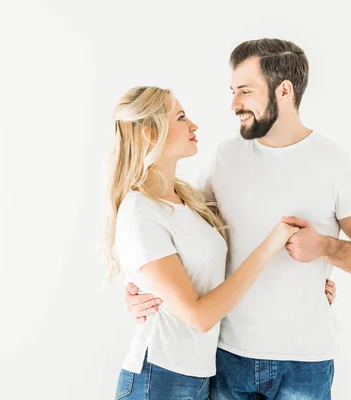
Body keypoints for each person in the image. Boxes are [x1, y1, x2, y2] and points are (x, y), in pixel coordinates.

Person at [125, 38, 351, 400]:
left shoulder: (336, 165)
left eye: (245, 91)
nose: (234, 104)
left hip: (306, 361)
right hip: (226, 356)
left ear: (284, 90)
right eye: (233, 91)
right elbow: (179, 235)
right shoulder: (225, 158)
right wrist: (140, 288)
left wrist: (327, 248)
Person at [105, 86, 306, 400]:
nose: (194, 126)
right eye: (181, 117)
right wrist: (269, 248)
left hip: (198, 376)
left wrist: (306, 279)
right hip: (158, 379)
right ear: (150, 134)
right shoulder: (139, 211)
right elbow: (199, 316)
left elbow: (215, 273)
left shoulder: (188, 201)